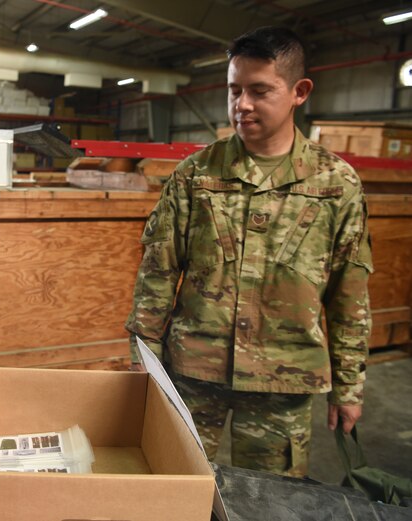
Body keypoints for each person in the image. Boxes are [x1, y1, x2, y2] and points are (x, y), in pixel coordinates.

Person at [125, 26, 372, 478]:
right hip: (194, 375)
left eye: (259, 91)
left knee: (272, 502)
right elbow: (158, 274)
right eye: (234, 90)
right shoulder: (196, 175)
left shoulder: (337, 185)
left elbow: (349, 295)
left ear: (300, 91)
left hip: (284, 380)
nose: (242, 105)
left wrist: (349, 386)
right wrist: (144, 360)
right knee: (178, 489)